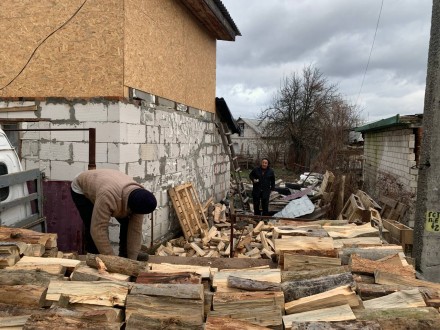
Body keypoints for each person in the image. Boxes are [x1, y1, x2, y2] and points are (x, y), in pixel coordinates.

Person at [70, 169, 157, 260]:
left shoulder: (141, 199)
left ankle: (125, 256)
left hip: (109, 183)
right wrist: (113, 261)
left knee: (127, 223)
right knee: (92, 224)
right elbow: (98, 229)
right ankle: (95, 258)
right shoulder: (108, 196)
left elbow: (135, 230)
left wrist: (133, 259)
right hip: (82, 189)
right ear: (129, 207)